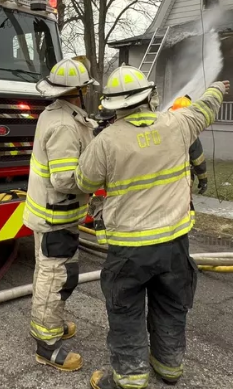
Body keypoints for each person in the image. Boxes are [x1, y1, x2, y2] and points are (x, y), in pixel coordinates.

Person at [75, 66, 229, 389]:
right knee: (171, 303)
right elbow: (205, 107)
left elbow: (83, 181)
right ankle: (169, 366)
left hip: (129, 248)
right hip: (175, 243)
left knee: (125, 308)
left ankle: (130, 377)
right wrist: (218, 88)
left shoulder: (106, 142)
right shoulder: (178, 124)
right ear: (149, 97)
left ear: (114, 106)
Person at [23, 58, 98, 372]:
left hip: (58, 214)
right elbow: (65, 179)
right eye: (85, 88)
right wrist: (97, 176)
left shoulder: (59, 114)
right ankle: (47, 345)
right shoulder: (65, 125)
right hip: (55, 215)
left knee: (57, 274)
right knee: (55, 278)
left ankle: (48, 323)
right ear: (78, 91)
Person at [171, 96, 209, 195]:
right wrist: (203, 180)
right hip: (183, 178)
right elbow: (198, 159)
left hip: (164, 181)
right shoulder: (189, 133)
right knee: (185, 206)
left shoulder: (163, 127)